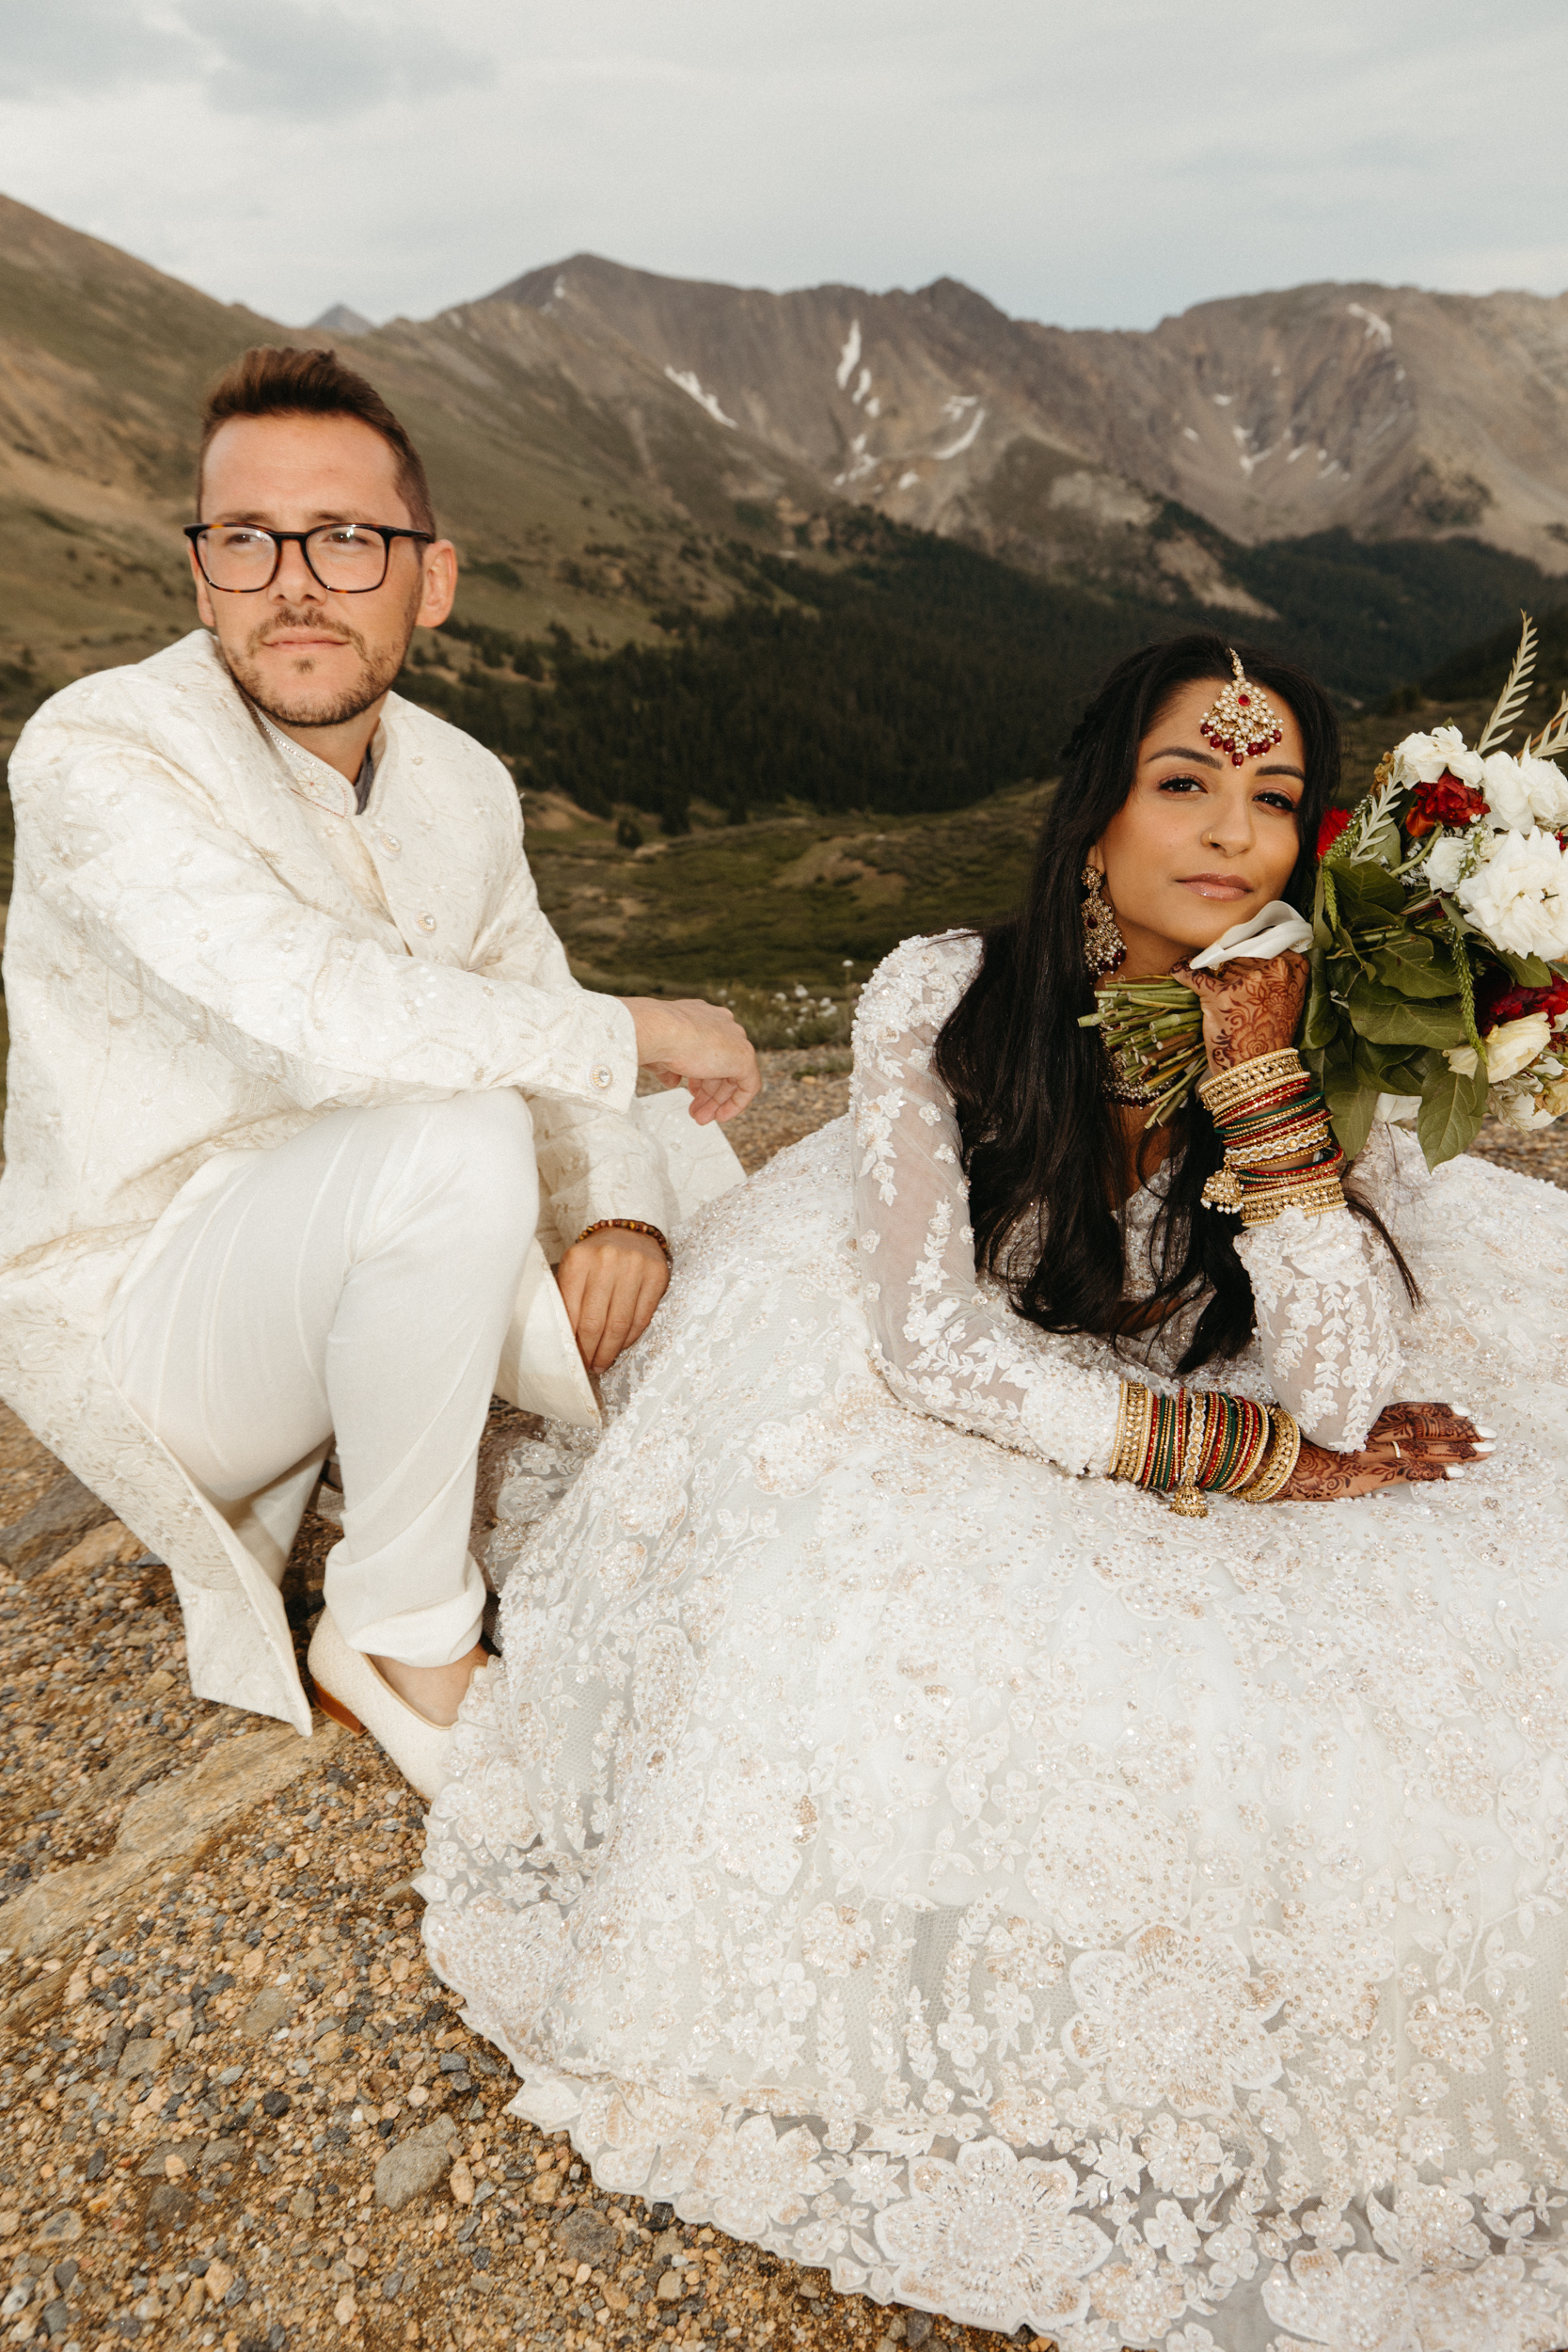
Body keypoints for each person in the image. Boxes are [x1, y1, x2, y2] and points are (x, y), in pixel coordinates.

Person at [420, 635, 1568, 2350]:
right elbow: (927, 1346)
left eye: (1273, 800)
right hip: (935, 1329)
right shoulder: (947, 990)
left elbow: (1342, 1380)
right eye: (1183, 784)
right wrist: (1234, 1458)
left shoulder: (1327, 1019)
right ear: (1094, 815)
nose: (1230, 833)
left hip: (1193, 1339)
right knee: (887, 1610)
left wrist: (1266, 1077)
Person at [0, 343, 757, 1799]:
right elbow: (310, 999)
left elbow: (527, 986)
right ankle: (399, 1629)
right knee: (468, 1125)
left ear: (433, 577)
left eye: (347, 539)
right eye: (246, 539)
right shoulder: (98, 748)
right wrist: (638, 1031)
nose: (295, 579)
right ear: (202, 574)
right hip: (149, 1310)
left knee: (667, 1163)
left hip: (357, 1232)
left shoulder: (461, 776)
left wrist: (617, 1207)